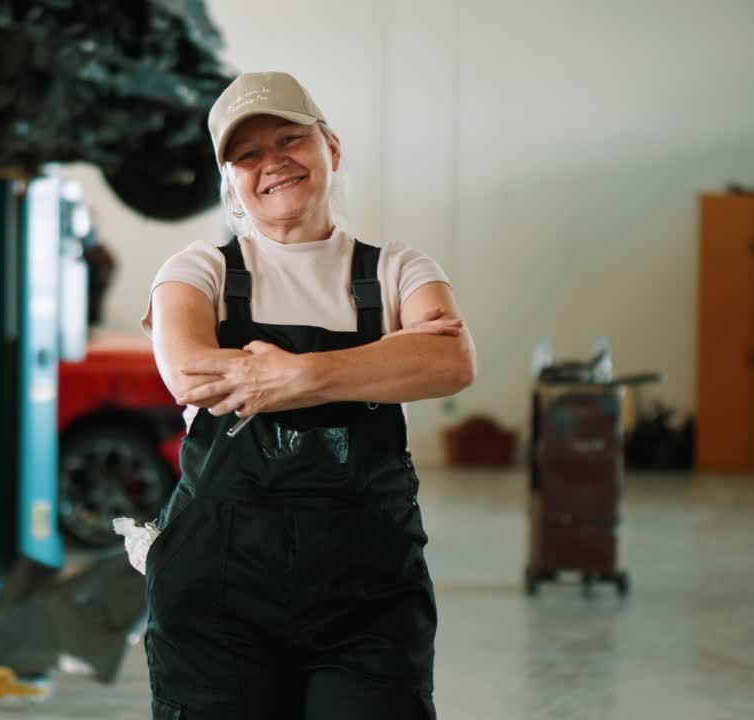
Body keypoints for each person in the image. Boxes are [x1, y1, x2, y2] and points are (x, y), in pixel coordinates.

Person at [139, 70, 476, 720]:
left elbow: (450, 360)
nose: (273, 164)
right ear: (230, 179)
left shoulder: (396, 268)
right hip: (218, 599)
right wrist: (381, 360)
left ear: (332, 148)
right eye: (248, 154)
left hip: (367, 600)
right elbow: (193, 375)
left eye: (290, 139)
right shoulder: (197, 270)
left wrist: (292, 376)